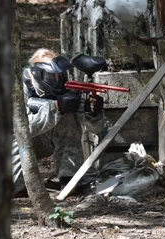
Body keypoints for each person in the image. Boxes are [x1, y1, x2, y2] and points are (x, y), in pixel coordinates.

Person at [12, 48, 106, 194]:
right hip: (16, 144)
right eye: (50, 76)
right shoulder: (19, 88)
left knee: (68, 117)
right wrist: (55, 107)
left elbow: (94, 128)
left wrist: (92, 112)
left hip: (46, 141)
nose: (56, 81)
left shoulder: (67, 89)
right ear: (37, 73)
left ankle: (69, 178)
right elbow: (20, 128)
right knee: (13, 188)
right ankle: (17, 183)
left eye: (58, 76)